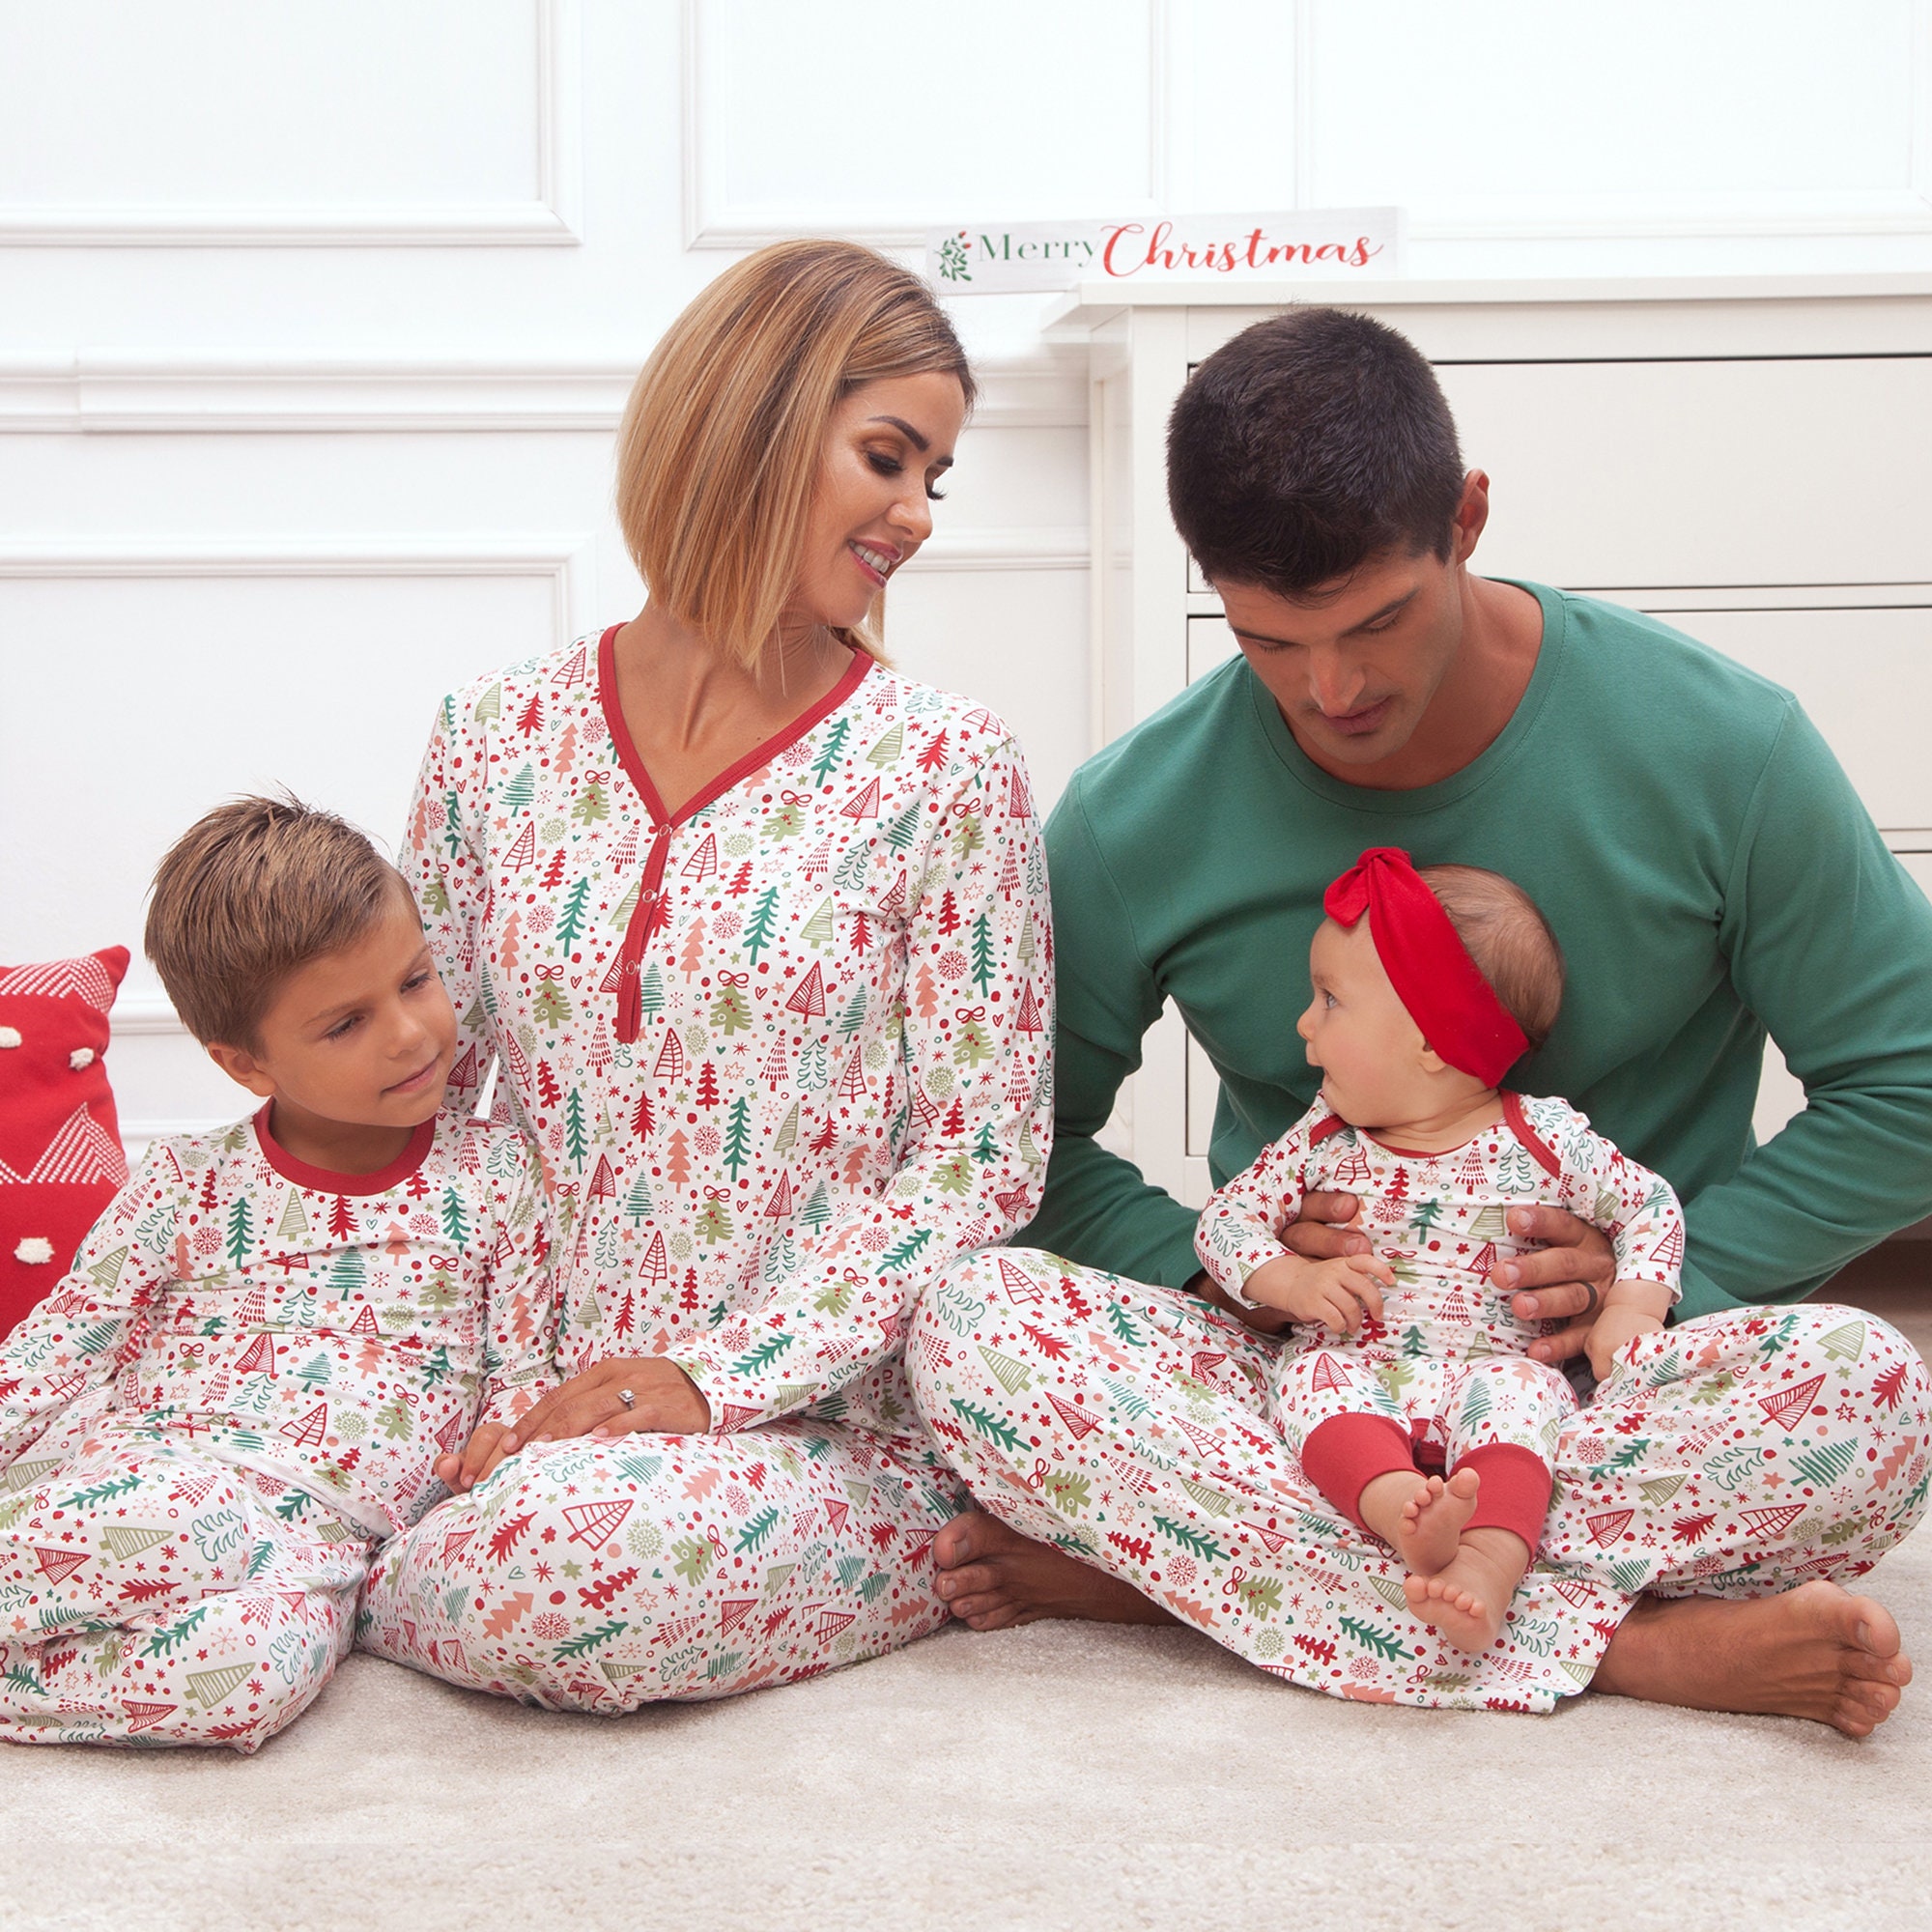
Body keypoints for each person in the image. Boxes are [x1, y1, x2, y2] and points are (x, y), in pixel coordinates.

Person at [907, 305, 1932, 1734]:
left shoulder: (1724, 747)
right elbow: (1012, 1145)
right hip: (1303, 1377)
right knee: (968, 1326)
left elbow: (1913, 1084)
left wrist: (1662, 1294)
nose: (1333, 692)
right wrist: (1221, 1283)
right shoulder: (1141, 812)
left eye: (1377, 621)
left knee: (1874, 1397)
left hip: (1613, 1383)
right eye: (1271, 641)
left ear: (1467, 518)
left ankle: (1183, 1573)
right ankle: (1622, 1646)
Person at [356, 239, 1052, 1709]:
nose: (918, 516)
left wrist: (715, 1381)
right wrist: (489, 1392)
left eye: (937, 475)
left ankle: (378, 1572)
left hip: (806, 1427)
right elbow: (425, 1101)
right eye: (888, 458)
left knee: (565, 1580)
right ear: (751, 417)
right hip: (521, 1381)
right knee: (196, 1479)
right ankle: (366, 1542)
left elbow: (980, 1163)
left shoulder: (941, 765)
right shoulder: (495, 737)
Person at [0, 798, 556, 1750]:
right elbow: (57, 1344)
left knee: (254, 1680)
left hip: (320, 1552)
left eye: (416, 980)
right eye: (345, 1023)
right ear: (243, 1062)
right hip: (169, 1477)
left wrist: (505, 1436)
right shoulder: (187, 1180)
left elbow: (520, 1367)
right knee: (185, 1517)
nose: (411, 1033)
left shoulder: (499, 1175)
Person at [1196, 849, 1681, 1654]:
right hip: (1359, 1361)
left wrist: (1632, 1308)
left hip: (1491, 1368)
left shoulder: (1547, 1141)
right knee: (1313, 1378)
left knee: (1525, 1398)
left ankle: (1489, 1562)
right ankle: (1399, 1512)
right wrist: (1290, 1276)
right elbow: (1225, 1221)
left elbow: (1648, 1206)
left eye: (1329, 1000)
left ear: (1429, 1041)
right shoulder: (1322, 1140)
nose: (1303, 1025)